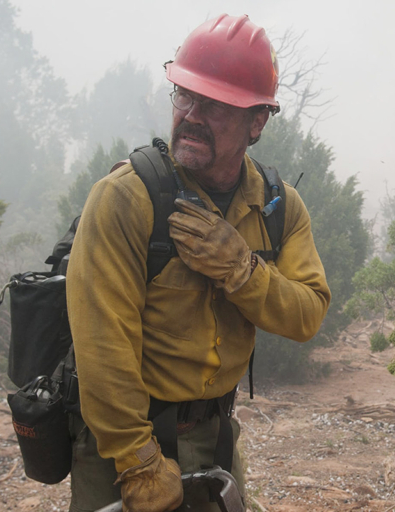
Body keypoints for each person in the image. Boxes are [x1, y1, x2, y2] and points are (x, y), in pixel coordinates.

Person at [65, 14, 331, 512]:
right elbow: (103, 345)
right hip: (124, 447)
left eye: (214, 105)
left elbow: (307, 313)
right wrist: (139, 463)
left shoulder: (280, 209)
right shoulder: (127, 198)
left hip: (216, 442)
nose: (191, 114)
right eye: (184, 96)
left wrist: (243, 271)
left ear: (257, 121)